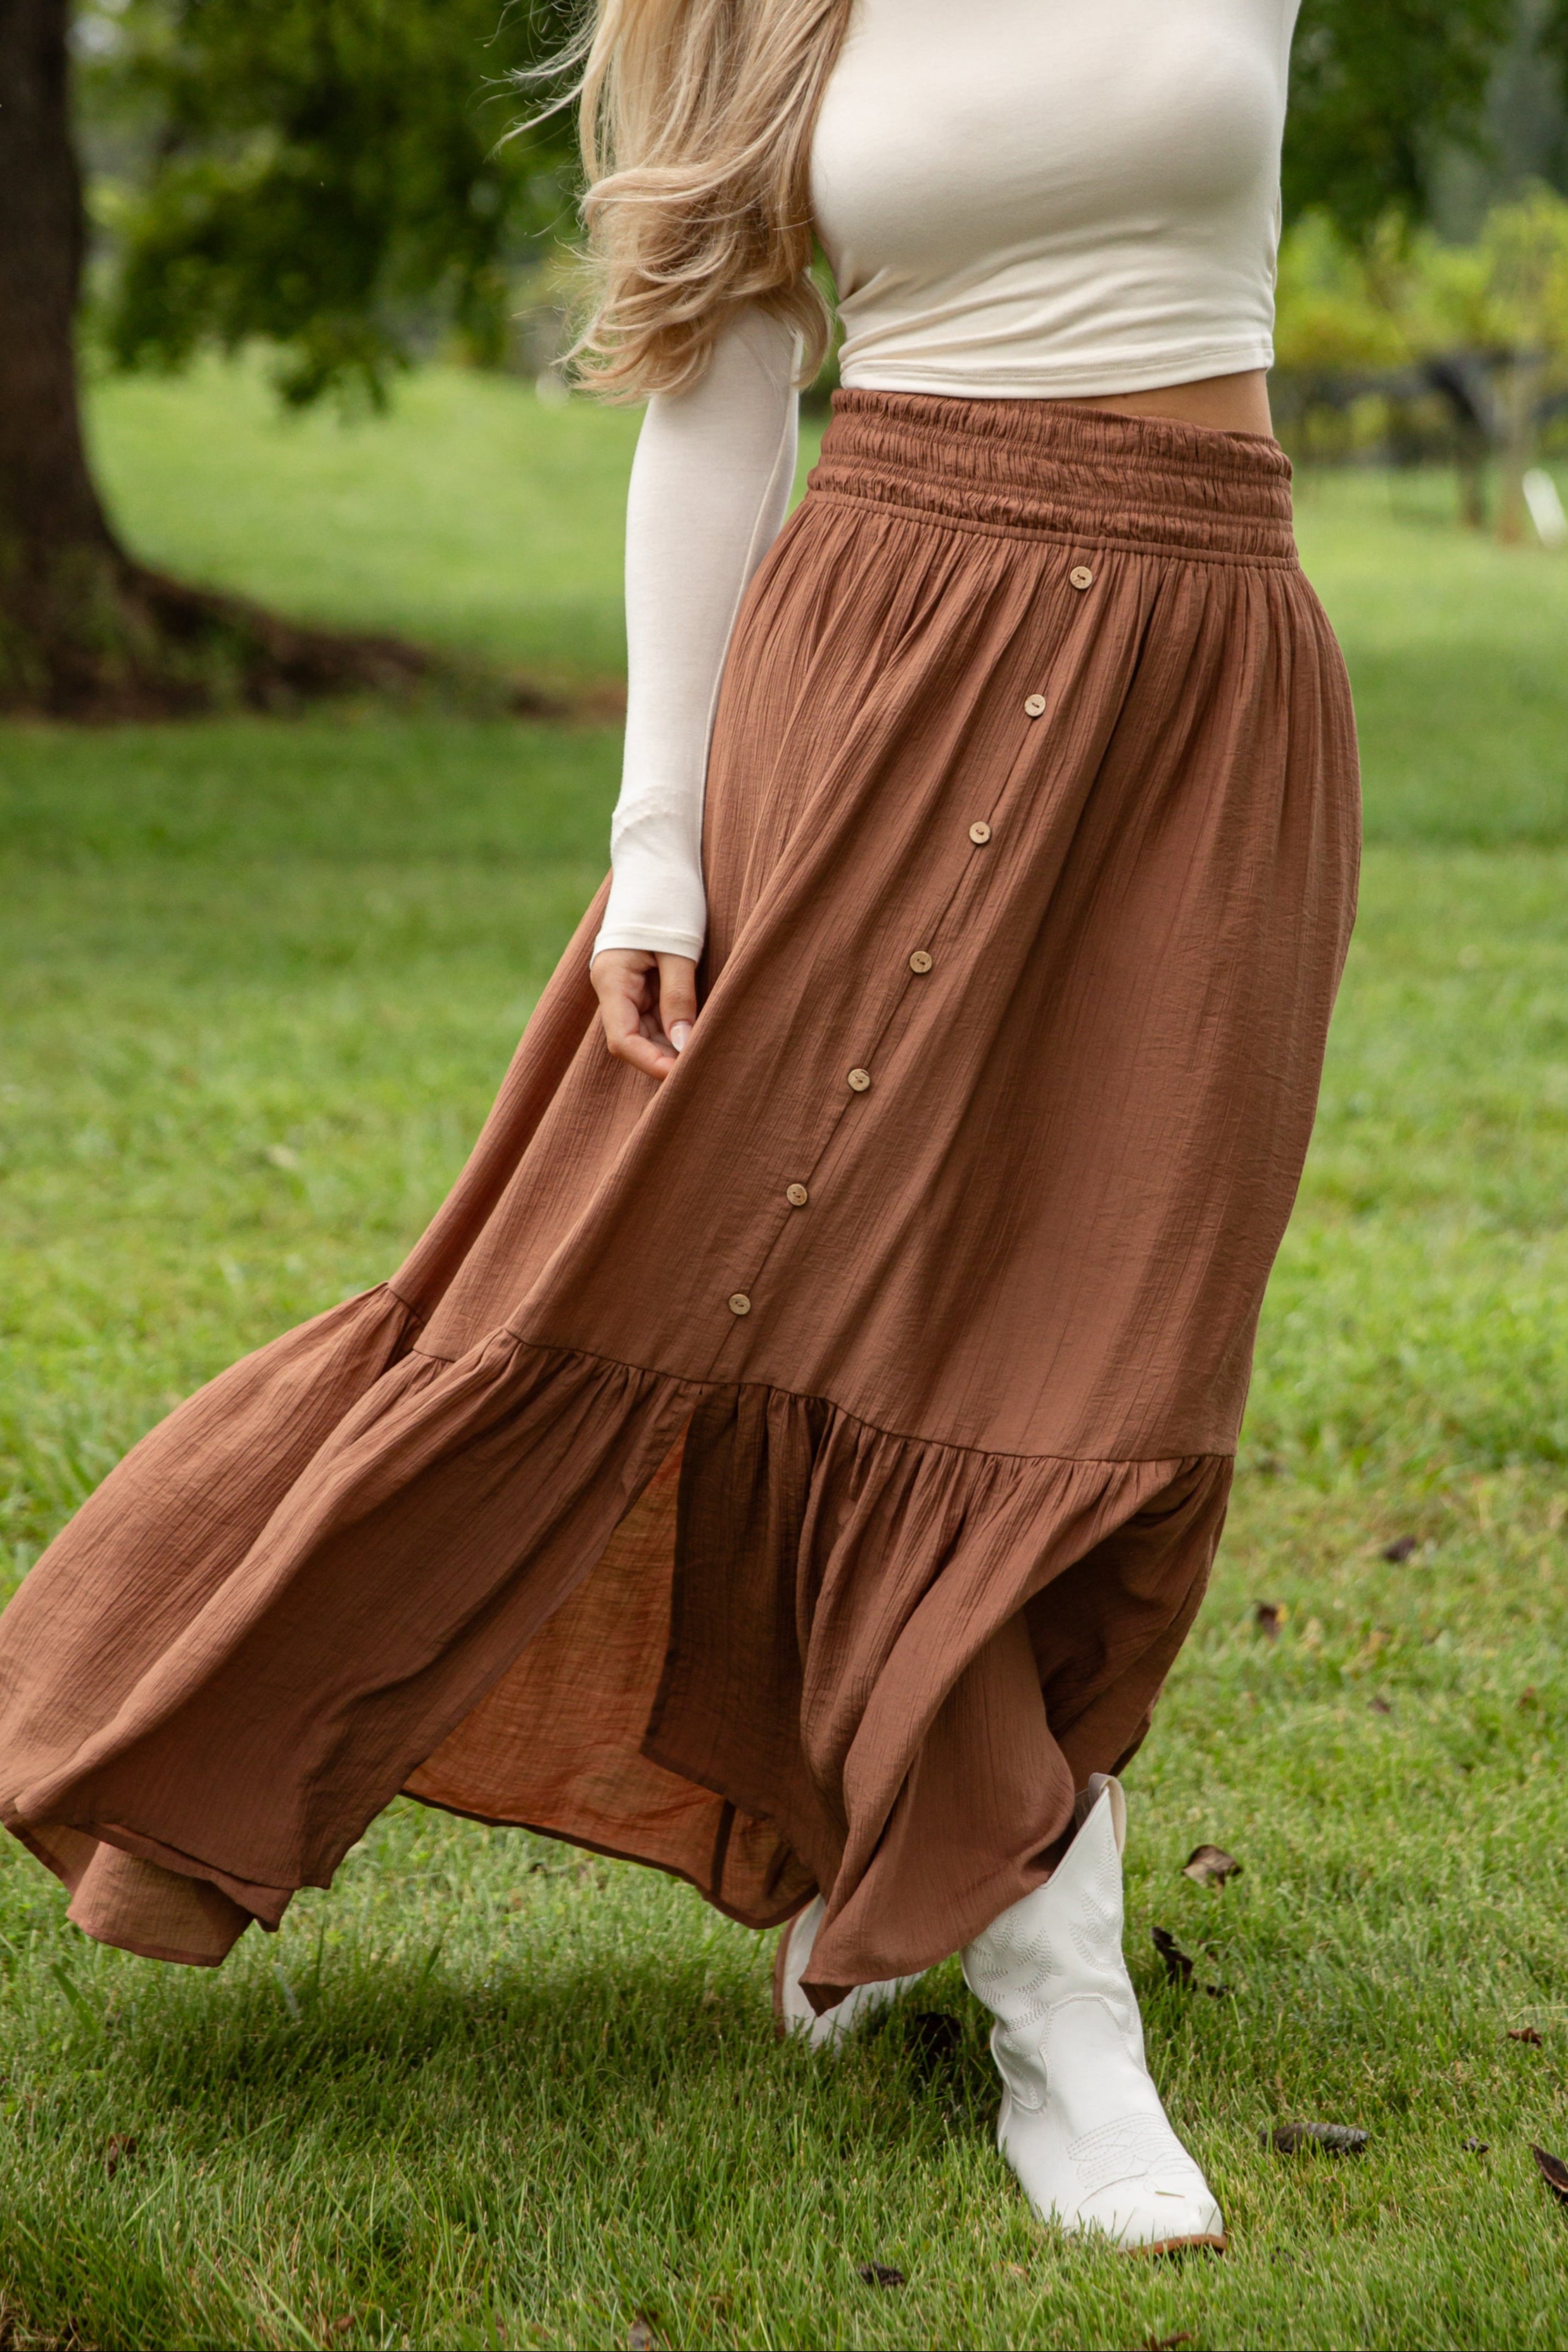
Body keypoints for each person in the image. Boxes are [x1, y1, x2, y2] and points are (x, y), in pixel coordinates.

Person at [0, 0, 1357, 2255]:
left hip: (1206, 688)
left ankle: (915, 1865)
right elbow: (716, 405)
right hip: (880, 653)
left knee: (1088, 1330)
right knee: (666, 1261)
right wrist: (659, 840)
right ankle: (1048, 1968)